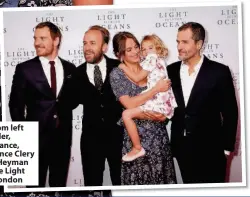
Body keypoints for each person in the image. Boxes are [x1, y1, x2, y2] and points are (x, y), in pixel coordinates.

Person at [167, 22, 238, 183]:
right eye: (178, 41)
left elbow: (230, 112)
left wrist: (226, 148)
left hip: (212, 149)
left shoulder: (219, 71)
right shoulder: (170, 70)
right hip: (182, 148)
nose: (179, 46)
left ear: (199, 44)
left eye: (185, 42)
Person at [9, 21, 76, 187]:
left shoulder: (70, 68)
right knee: (33, 188)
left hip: (62, 139)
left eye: (43, 38)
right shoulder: (25, 69)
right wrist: (24, 137)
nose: (37, 43)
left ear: (56, 41)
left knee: (59, 186)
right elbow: (15, 106)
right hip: (34, 140)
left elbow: (72, 100)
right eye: (35, 38)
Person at [110, 31, 177, 185]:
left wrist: (164, 115)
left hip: (158, 138)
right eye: (128, 50)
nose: (135, 52)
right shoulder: (117, 74)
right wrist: (155, 90)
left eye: (136, 47)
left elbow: (166, 96)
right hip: (135, 139)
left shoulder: (150, 64)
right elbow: (130, 104)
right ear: (119, 54)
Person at [62, 25, 124, 186]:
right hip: (91, 140)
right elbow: (67, 104)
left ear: (104, 47)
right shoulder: (75, 73)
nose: (87, 48)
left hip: (119, 138)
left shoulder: (120, 67)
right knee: (92, 185)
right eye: (84, 43)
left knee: (122, 183)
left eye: (92, 43)